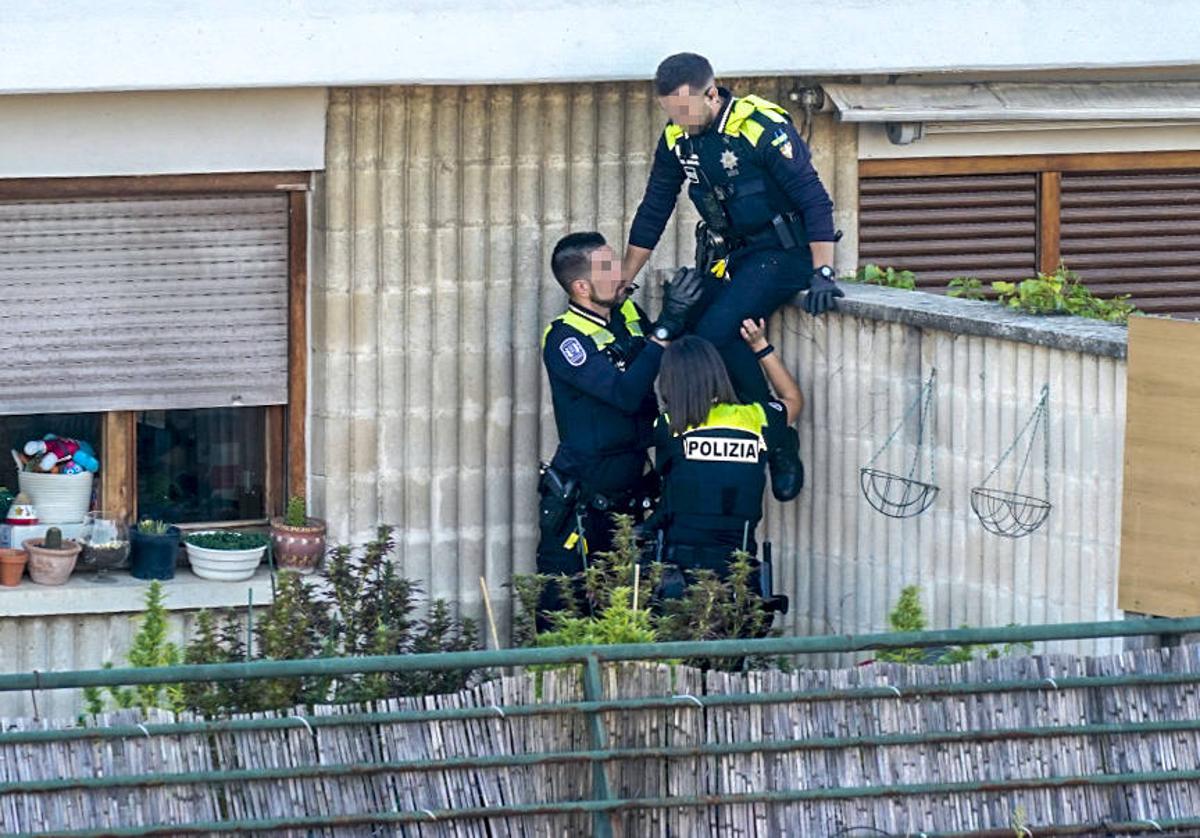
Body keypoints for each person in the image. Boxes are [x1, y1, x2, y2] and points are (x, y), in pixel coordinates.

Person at [623, 52, 840, 404]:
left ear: (711, 95)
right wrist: (625, 277)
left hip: (784, 253)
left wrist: (824, 271)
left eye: (684, 111)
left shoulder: (759, 127)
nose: (678, 120)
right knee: (687, 318)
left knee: (717, 332)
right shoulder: (677, 137)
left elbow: (815, 200)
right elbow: (654, 207)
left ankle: (767, 427)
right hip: (736, 254)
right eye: (671, 112)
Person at [538, 231, 704, 619]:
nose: (622, 273)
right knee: (565, 611)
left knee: (634, 610)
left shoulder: (627, 316)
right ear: (581, 287)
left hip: (632, 496)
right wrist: (664, 328)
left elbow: (666, 361)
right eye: (609, 268)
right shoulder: (565, 339)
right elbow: (626, 393)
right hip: (582, 503)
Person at [652, 318, 803, 591]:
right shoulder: (757, 419)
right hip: (739, 572)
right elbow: (792, 398)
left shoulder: (669, 426)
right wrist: (760, 346)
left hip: (679, 574)